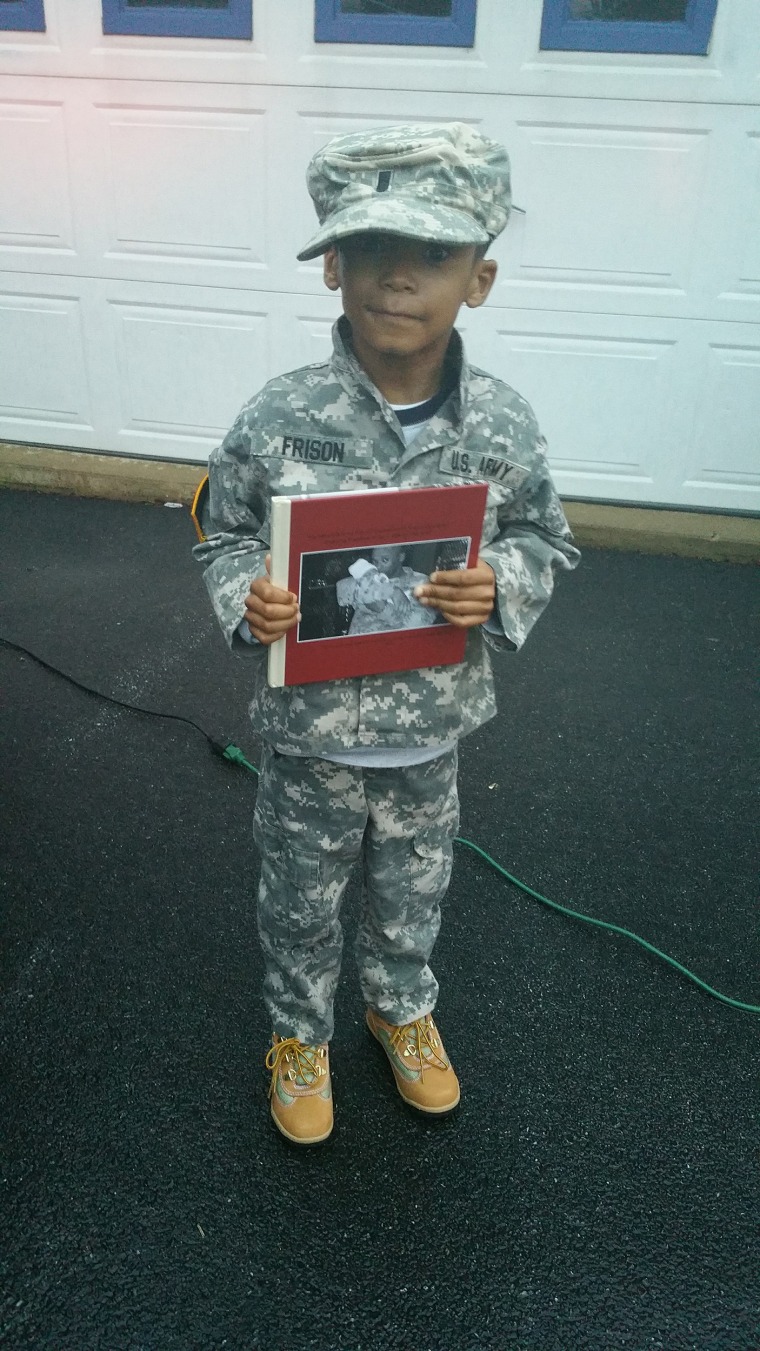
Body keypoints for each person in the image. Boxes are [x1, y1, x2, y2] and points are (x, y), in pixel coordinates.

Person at [194, 122, 580, 1145]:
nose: (397, 277)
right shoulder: (279, 417)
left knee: (415, 888)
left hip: (430, 731)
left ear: (480, 280)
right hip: (311, 732)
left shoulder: (502, 424)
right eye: (369, 249)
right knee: (301, 898)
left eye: (434, 254)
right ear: (332, 266)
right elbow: (223, 528)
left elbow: (547, 533)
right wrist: (248, 600)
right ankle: (297, 1032)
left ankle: (400, 1009)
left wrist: (500, 583)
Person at [335, 544, 437, 635]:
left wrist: (382, 609)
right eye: (375, 561)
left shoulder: (422, 582)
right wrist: (392, 591)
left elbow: (417, 625)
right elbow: (342, 590)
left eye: (385, 560)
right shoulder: (369, 576)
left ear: (401, 557)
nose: (378, 566)